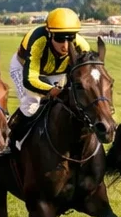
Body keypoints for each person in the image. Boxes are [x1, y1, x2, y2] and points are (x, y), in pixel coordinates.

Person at [7, 7, 84, 142]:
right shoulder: (38, 40)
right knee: (31, 104)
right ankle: (10, 140)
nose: (65, 45)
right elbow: (30, 79)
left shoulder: (82, 45)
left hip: (56, 71)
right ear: (49, 34)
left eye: (70, 38)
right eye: (60, 38)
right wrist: (50, 90)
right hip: (24, 68)